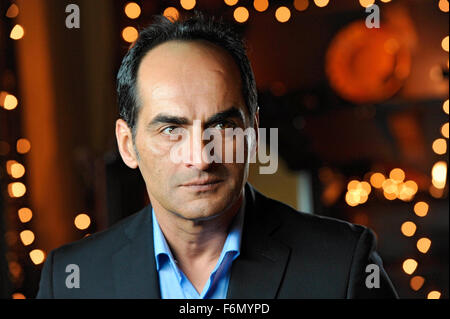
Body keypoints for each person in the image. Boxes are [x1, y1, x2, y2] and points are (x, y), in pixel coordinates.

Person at [36, 12, 398, 299]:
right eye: (170, 129)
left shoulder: (343, 264)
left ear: (253, 133)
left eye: (222, 126)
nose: (200, 157)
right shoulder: (72, 280)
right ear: (128, 145)